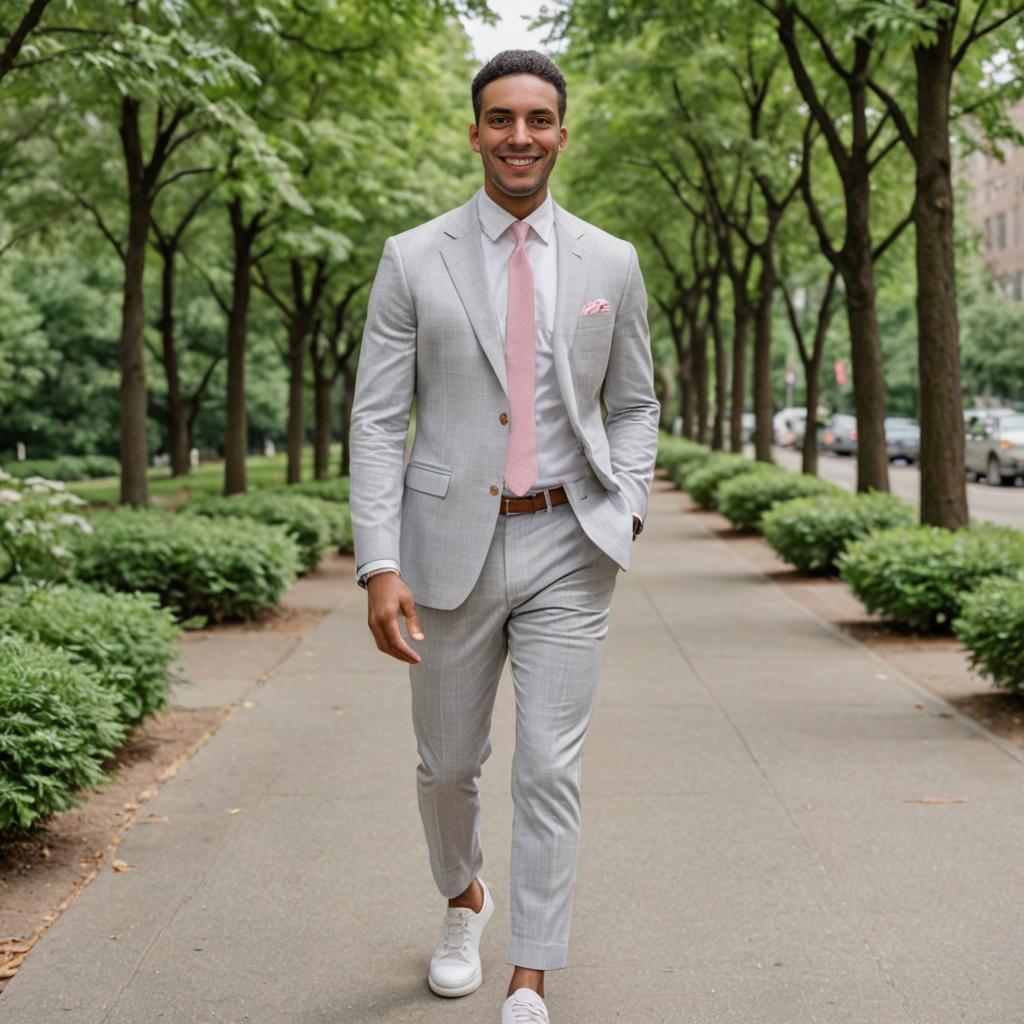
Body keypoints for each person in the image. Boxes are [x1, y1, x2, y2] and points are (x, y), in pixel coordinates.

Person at [349, 49, 659, 1024]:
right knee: (446, 763)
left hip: (571, 541)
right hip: (446, 545)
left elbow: (638, 400)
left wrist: (631, 503)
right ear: (474, 130)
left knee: (549, 765)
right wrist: (378, 561)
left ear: (562, 133)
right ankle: (461, 898)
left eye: (537, 120)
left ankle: (530, 968)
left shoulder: (611, 261)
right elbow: (374, 416)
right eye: (499, 119)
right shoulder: (412, 257)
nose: (518, 137)